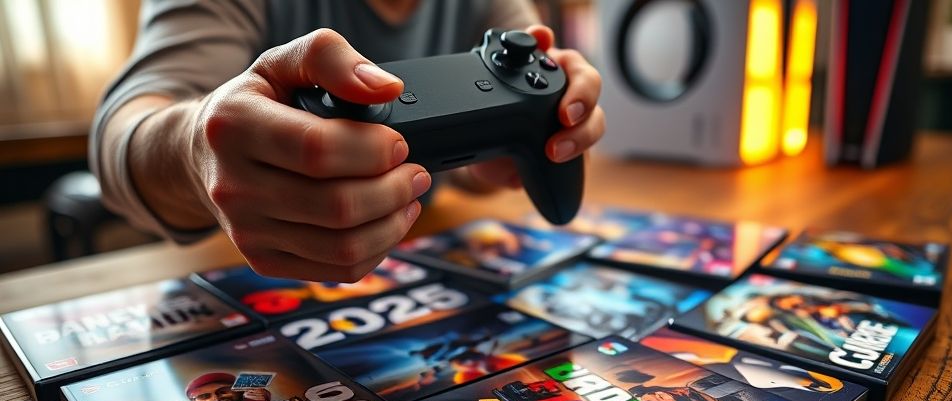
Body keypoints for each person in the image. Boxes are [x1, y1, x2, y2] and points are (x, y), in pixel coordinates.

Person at [90, 0, 605, 282]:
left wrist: (493, 158)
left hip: (427, 261)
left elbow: (525, 86)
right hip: (224, 272)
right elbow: (120, 131)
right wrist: (194, 147)